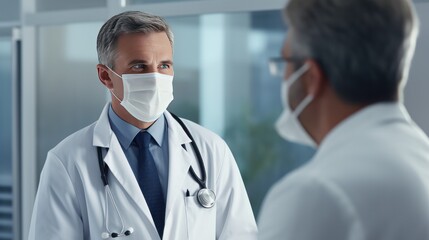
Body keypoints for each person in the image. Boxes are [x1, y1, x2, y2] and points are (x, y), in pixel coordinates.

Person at [28, 11, 257, 240]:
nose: (156, 78)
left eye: (164, 65)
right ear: (105, 76)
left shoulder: (211, 150)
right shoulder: (67, 163)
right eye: (139, 66)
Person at [258, 0, 429, 239]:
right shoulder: (420, 155)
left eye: (284, 63)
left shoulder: (314, 191)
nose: (283, 77)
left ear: (311, 78)